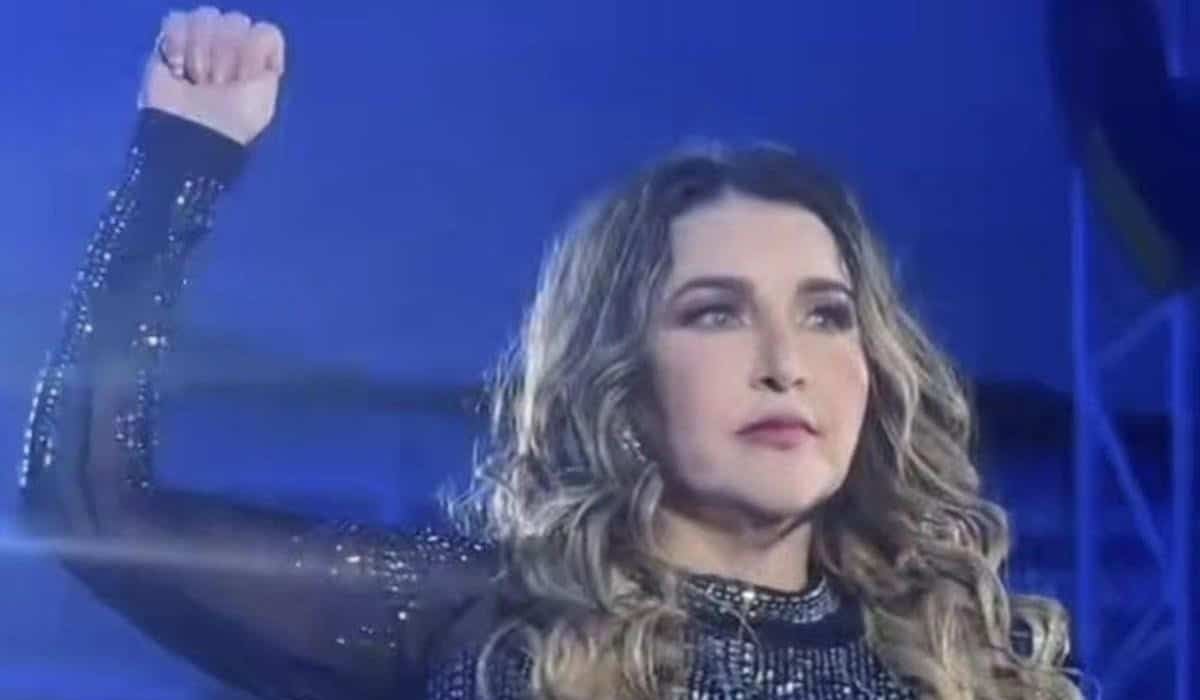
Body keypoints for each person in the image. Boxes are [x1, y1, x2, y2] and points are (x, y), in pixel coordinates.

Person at [18, 7, 1082, 699]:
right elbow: (94, 507)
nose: (784, 362)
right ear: (616, 377)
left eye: (827, 315)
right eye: (715, 313)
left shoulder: (963, 672)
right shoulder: (487, 625)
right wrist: (181, 165)